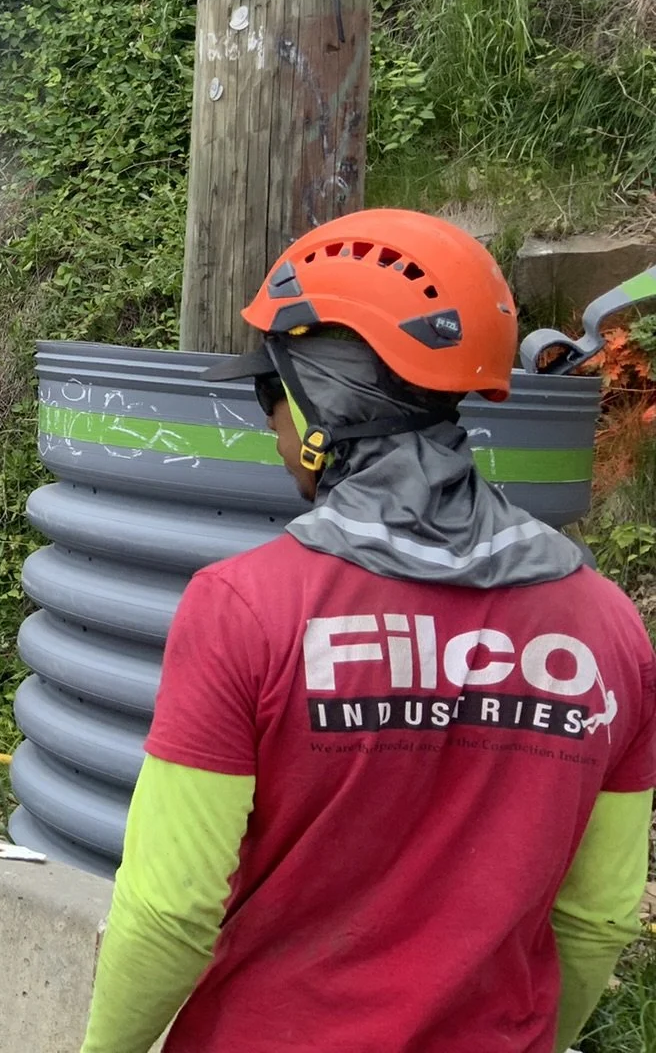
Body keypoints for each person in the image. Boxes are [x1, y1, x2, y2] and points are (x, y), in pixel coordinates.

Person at [81, 208, 655, 1053]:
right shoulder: (608, 627)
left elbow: (171, 910)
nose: (269, 422)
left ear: (325, 401)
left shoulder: (246, 609)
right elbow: (599, 916)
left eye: (272, 392)